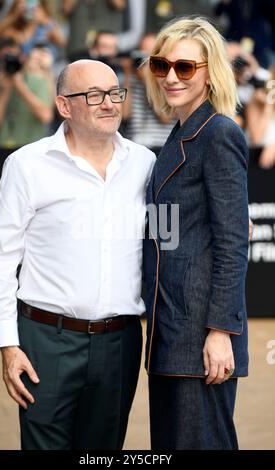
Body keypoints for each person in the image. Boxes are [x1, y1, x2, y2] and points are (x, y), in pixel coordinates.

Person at [0, 59, 156, 450]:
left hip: (120, 343)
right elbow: (0, 261)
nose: (109, 103)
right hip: (46, 342)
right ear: (64, 106)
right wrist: (9, 347)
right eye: (94, 95)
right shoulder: (26, 165)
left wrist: (225, 224)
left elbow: (168, 235)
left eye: (115, 93)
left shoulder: (145, 164)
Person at [143, 17, 249, 450]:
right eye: (161, 64)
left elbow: (232, 243)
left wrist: (221, 331)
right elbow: (166, 233)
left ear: (210, 72)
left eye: (184, 67)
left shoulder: (219, 133)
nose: (171, 76)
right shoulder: (179, 133)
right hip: (168, 329)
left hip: (200, 339)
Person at [0, 38, 53, 148]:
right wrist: (4, 92)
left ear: (22, 58)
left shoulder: (38, 81)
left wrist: (20, 86)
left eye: (13, 57)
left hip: (31, 149)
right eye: (5, 58)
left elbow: (46, 116)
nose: (9, 62)